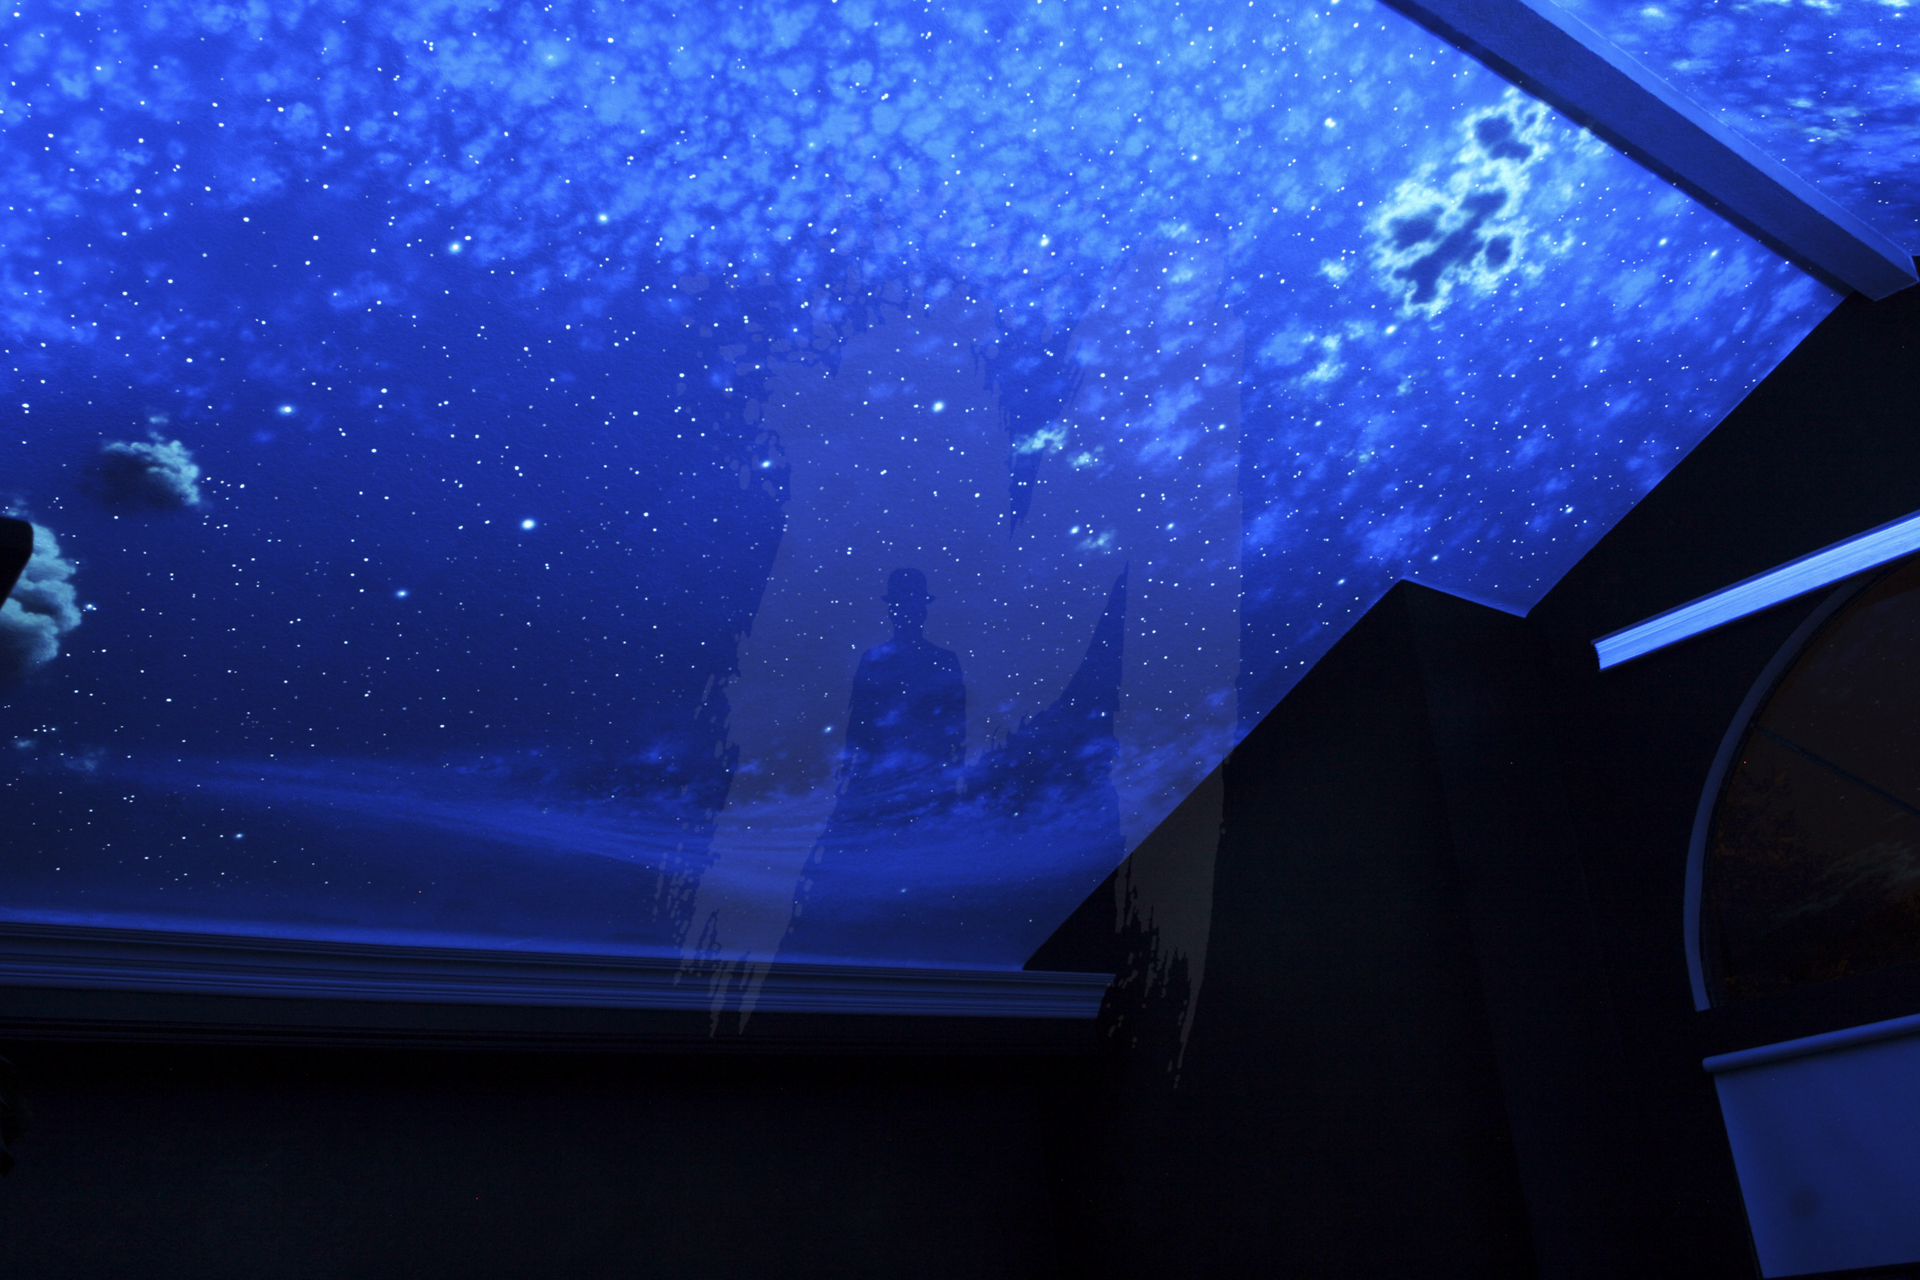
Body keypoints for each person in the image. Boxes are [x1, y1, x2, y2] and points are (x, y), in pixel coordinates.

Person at [833, 567, 966, 832]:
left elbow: (956, 727)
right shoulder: (878, 660)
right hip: (891, 779)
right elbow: (859, 722)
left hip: (918, 777)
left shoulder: (940, 660)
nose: (907, 613)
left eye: (911, 606)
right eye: (902, 606)